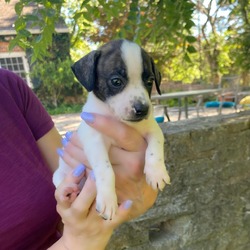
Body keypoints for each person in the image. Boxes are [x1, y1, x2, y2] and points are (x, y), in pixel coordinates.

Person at [0, 68, 158, 249]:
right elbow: (82, 234)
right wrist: (74, 243)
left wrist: (132, 192)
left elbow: (72, 192)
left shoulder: (7, 87)